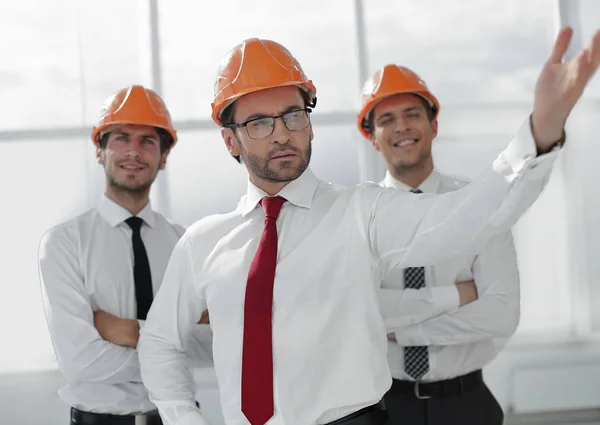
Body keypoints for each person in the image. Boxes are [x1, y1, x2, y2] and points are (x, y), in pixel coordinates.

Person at [138, 28, 599, 425]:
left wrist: (540, 130)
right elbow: (159, 341)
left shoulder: (362, 211)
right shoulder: (202, 243)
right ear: (229, 139)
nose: (281, 133)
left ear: (310, 125)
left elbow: (468, 218)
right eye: (259, 122)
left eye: (293, 115)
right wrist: (184, 417)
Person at [38, 85, 211, 425]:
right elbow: (80, 360)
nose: (134, 150)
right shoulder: (62, 244)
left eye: (147, 140)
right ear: (100, 151)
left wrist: (127, 331)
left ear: (163, 157)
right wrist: (170, 344)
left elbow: (215, 344)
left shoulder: (187, 242)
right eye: (121, 137)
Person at [358, 64, 520, 425]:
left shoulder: (479, 205)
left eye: (412, 114)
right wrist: (459, 296)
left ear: (433, 124)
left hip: (467, 405)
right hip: (383, 408)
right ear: (371, 135)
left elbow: (500, 313)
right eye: (387, 118)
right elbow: (358, 311)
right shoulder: (357, 217)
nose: (401, 126)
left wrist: (400, 330)